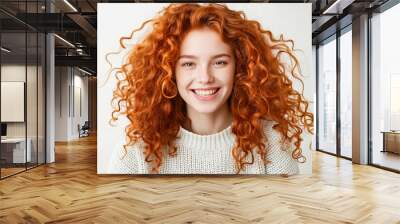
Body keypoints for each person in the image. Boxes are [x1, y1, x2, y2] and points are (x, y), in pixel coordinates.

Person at [107, 3, 313, 175]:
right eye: (189, 64)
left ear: (240, 68)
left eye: (220, 62)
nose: (205, 78)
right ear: (169, 71)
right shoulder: (137, 147)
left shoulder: (271, 141)